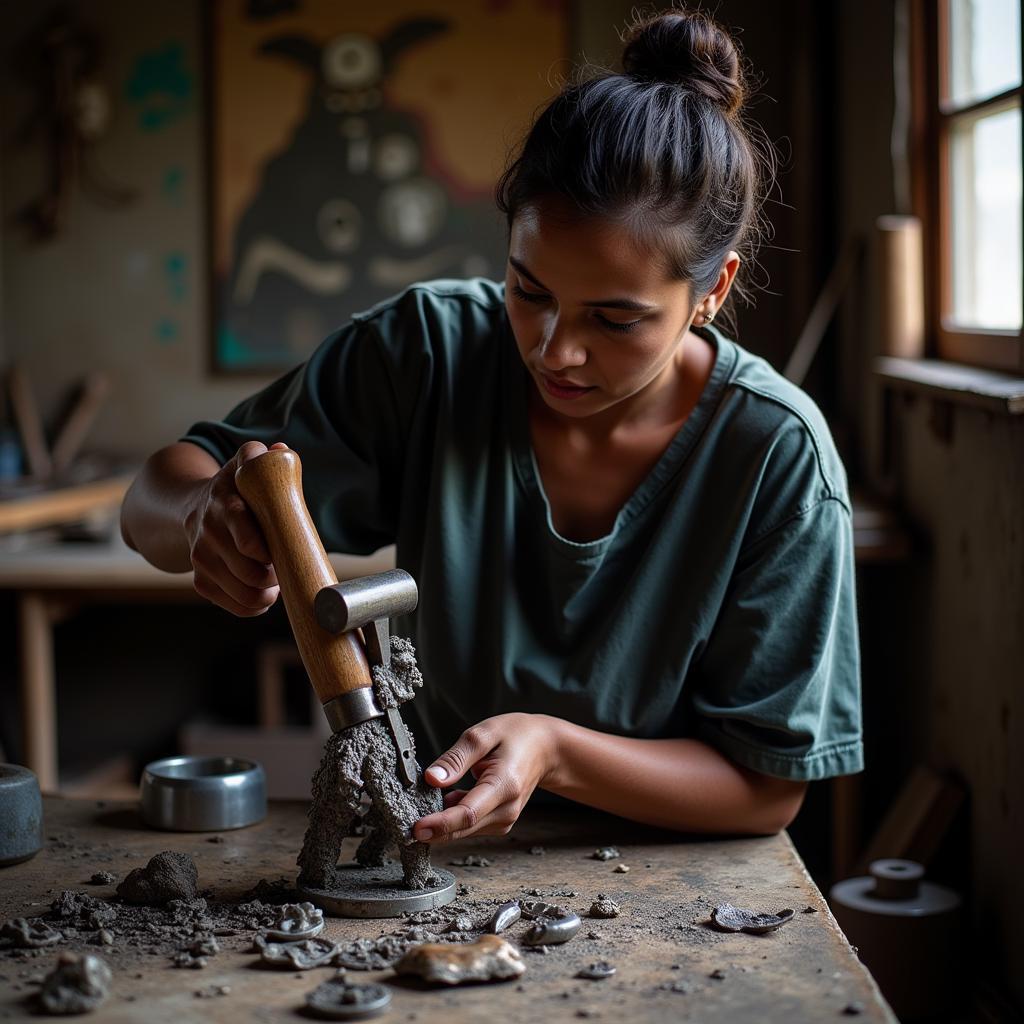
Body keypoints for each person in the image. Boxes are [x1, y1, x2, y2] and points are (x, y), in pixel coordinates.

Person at [121, 8, 862, 848]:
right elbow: (156, 490)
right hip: (442, 862)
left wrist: (557, 751)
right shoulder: (428, 354)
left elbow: (766, 791)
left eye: (615, 321)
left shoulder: (774, 455)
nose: (555, 351)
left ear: (712, 292)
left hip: (675, 879)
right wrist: (196, 516)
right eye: (529, 289)